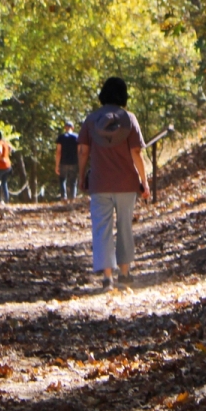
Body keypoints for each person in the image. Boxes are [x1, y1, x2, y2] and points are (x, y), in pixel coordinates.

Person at [78, 77, 149, 290]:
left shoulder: (91, 120)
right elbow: (136, 153)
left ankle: (107, 276)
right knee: (125, 226)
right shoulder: (129, 119)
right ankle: (125, 273)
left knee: (102, 227)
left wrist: (82, 176)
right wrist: (144, 181)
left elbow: (82, 151)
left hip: (99, 183)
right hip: (127, 183)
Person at [55, 120, 79, 200]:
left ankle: (63, 198)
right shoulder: (77, 137)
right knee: (73, 181)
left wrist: (57, 165)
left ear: (65, 127)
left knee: (62, 180)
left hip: (63, 162)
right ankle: (73, 198)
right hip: (74, 162)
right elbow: (79, 151)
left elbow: (58, 152)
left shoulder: (61, 137)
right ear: (73, 127)